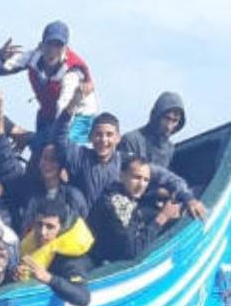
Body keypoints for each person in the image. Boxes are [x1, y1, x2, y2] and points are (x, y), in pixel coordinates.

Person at [55, 88, 205, 219]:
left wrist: (188, 198)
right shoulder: (80, 157)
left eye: (109, 135)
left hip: (114, 226)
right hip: (84, 227)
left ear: (117, 138)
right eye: (99, 135)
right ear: (91, 137)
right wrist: (73, 103)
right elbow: (59, 137)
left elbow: (167, 177)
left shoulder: (126, 162)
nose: (104, 140)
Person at [0, 90, 88, 229]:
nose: (48, 164)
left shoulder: (74, 197)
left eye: (53, 159)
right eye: (44, 158)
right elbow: (5, 162)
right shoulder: (27, 189)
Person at [0, 20, 99, 145]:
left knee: (64, 149)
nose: (53, 50)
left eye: (58, 46)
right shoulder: (31, 57)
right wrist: (0, 57)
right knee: (38, 147)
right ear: (41, 45)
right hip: (49, 112)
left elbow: (64, 108)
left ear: (66, 49)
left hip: (79, 115)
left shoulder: (71, 72)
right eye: (50, 44)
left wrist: (54, 143)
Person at [87, 155, 185, 263]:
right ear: (121, 175)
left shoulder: (117, 192)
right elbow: (132, 250)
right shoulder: (119, 204)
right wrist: (163, 217)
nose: (141, 185)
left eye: (146, 180)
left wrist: (157, 195)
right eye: (137, 178)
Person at [14, 199, 94, 306]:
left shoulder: (71, 259)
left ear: (61, 228)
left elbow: (84, 298)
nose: (42, 232)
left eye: (50, 227)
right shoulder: (30, 246)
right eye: (39, 224)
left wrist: (48, 278)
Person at [119, 92, 186, 169]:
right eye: (167, 118)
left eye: (175, 121)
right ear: (157, 116)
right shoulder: (131, 140)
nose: (169, 126)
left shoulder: (169, 149)